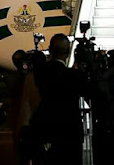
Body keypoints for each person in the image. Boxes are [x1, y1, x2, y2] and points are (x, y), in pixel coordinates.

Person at [31, 33, 88, 165]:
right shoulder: (73, 76)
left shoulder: (40, 73)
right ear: (68, 52)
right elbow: (89, 89)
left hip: (46, 130)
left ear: (50, 50)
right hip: (70, 133)